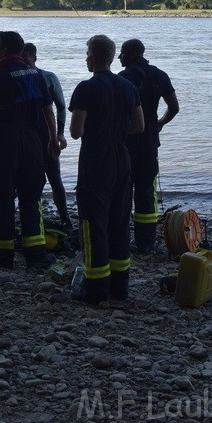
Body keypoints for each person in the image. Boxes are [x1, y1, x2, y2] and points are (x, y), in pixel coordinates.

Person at [0, 31, 61, 270]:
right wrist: (53, 139)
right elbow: (48, 110)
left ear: (3, 50)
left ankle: (4, 256)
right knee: (31, 198)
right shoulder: (35, 74)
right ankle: (35, 255)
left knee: (3, 198)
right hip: (33, 141)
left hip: (6, 143)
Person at [69, 35, 143, 304]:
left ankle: (96, 289)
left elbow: (76, 132)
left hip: (95, 159)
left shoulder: (85, 88)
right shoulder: (128, 86)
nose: (86, 58)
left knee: (92, 223)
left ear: (93, 57)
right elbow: (140, 126)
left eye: (87, 53)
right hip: (121, 157)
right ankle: (119, 287)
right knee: (119, 221)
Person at [118, 38, 179, 253]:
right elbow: (174, 107)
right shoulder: (159, 75)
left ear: (134, 53)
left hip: (126, 140)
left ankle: (121, 237)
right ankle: (146, 242)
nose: (119, 57)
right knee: (146, 190)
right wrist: (160, 123)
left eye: (123, 52)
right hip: (149, 140)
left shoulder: (122, 78)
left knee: (123, 189)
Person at [21, 42, 71, 230]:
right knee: (31, 180)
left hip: (47, 137)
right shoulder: (18, 79)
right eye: (21, 59)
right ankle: (33, 217)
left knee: (55, 178)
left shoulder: (49, 77)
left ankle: (65, 217)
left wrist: (59, 134)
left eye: (27, 59)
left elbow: (60, 106)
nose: (24, 63)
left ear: (34, 57)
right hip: (27, 139)